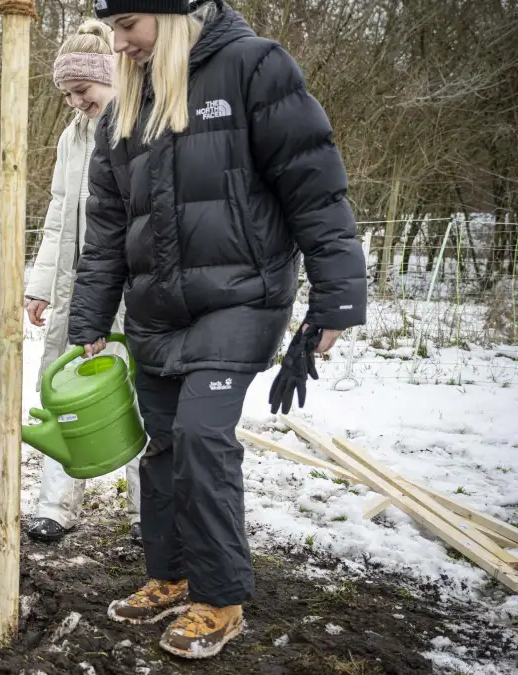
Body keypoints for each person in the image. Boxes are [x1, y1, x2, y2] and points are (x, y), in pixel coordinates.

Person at [71, 0, 367, 659]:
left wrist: (336, 298)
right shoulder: (121, 113)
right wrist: (89, 318)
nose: (118, 44)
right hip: (155, 309)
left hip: (240, 297)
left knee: (202, 437)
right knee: (162, 446)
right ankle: (171, 575)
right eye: (113, 29)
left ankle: (220, 598)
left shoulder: (254, 69)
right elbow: (107, 231)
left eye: (128, 26)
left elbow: (314, 187)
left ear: (172, 13)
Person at [24, 19, 141, 546]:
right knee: (65, 388)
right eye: (67, 94)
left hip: (132, 285)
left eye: (82, 90)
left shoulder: (140, 126)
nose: (74, 102)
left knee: (135, 391)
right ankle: (56, 504)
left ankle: (148, 512)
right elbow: (57, 214)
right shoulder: (71, 138)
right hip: (78, 285)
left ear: (111, 75)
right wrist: (42, 284)